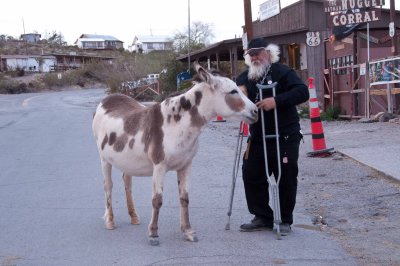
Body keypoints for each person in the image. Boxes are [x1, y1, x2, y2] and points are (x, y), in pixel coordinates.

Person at [236, 38, 309, 235]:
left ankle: (285, 219)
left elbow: (302, 92)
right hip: (258, 136)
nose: (254, 57)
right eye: (250, 54)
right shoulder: (245, 77)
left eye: (258, 53)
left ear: (268, 53)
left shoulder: (283, 72)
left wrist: (276, 101)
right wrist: (238, 95)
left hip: (284, 135)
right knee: (251, 173)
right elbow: (236, 94)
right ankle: (262, 216)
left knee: (285, 176)